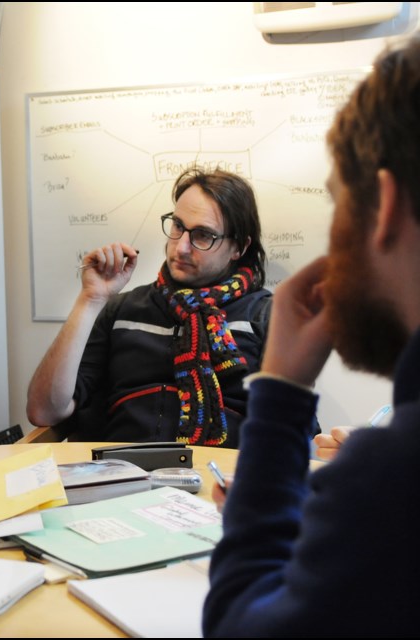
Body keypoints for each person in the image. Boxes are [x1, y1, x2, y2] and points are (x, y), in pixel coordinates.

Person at [203, 35, 420, 636]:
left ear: (388, 208)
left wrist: (280, 393)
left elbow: (238, 624)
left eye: (340, 204)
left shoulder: (394, 475)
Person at [26, 167, 270, 447]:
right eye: (178, 226)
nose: (181, 248)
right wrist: (90, 299)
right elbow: (43, 410)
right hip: (125, 476)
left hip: (221, 480)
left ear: (239, 247)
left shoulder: (263, 317)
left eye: (203, 235)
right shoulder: (123, 310)